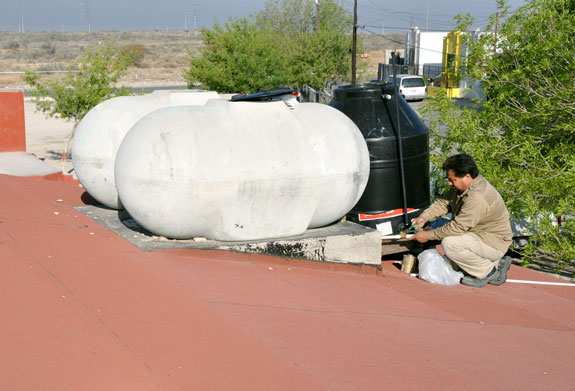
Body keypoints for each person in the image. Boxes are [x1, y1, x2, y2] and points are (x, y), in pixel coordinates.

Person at [409, 153, 513, 287]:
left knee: (450, 244)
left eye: (452, 180)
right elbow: (443, 203)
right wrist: (424, 217)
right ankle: (498, 262)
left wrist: (427, 235)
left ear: (467, 176)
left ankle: (488, 272)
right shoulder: (462, 187)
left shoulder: (477, 197)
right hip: (477, 236)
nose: (449, 183)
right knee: (449, 263)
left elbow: (457, 228)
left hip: (492, 243)